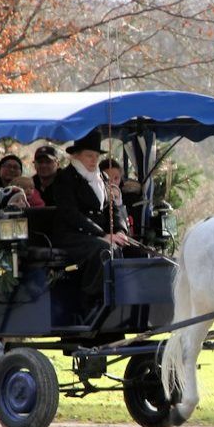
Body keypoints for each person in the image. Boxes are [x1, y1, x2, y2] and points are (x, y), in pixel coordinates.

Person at [52, 130, 129, 314]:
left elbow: (114, 208)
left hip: (100, 235)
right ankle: (91, 303)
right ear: (76, 155)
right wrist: (102, 235)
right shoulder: (65, 178)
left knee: (130, 249)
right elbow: (71, 214)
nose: (94, 160)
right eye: (89, 156)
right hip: (72, 236)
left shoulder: (101, 178)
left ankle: (126, 302)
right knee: (103, 250)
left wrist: (120, 231)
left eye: (96, 156)